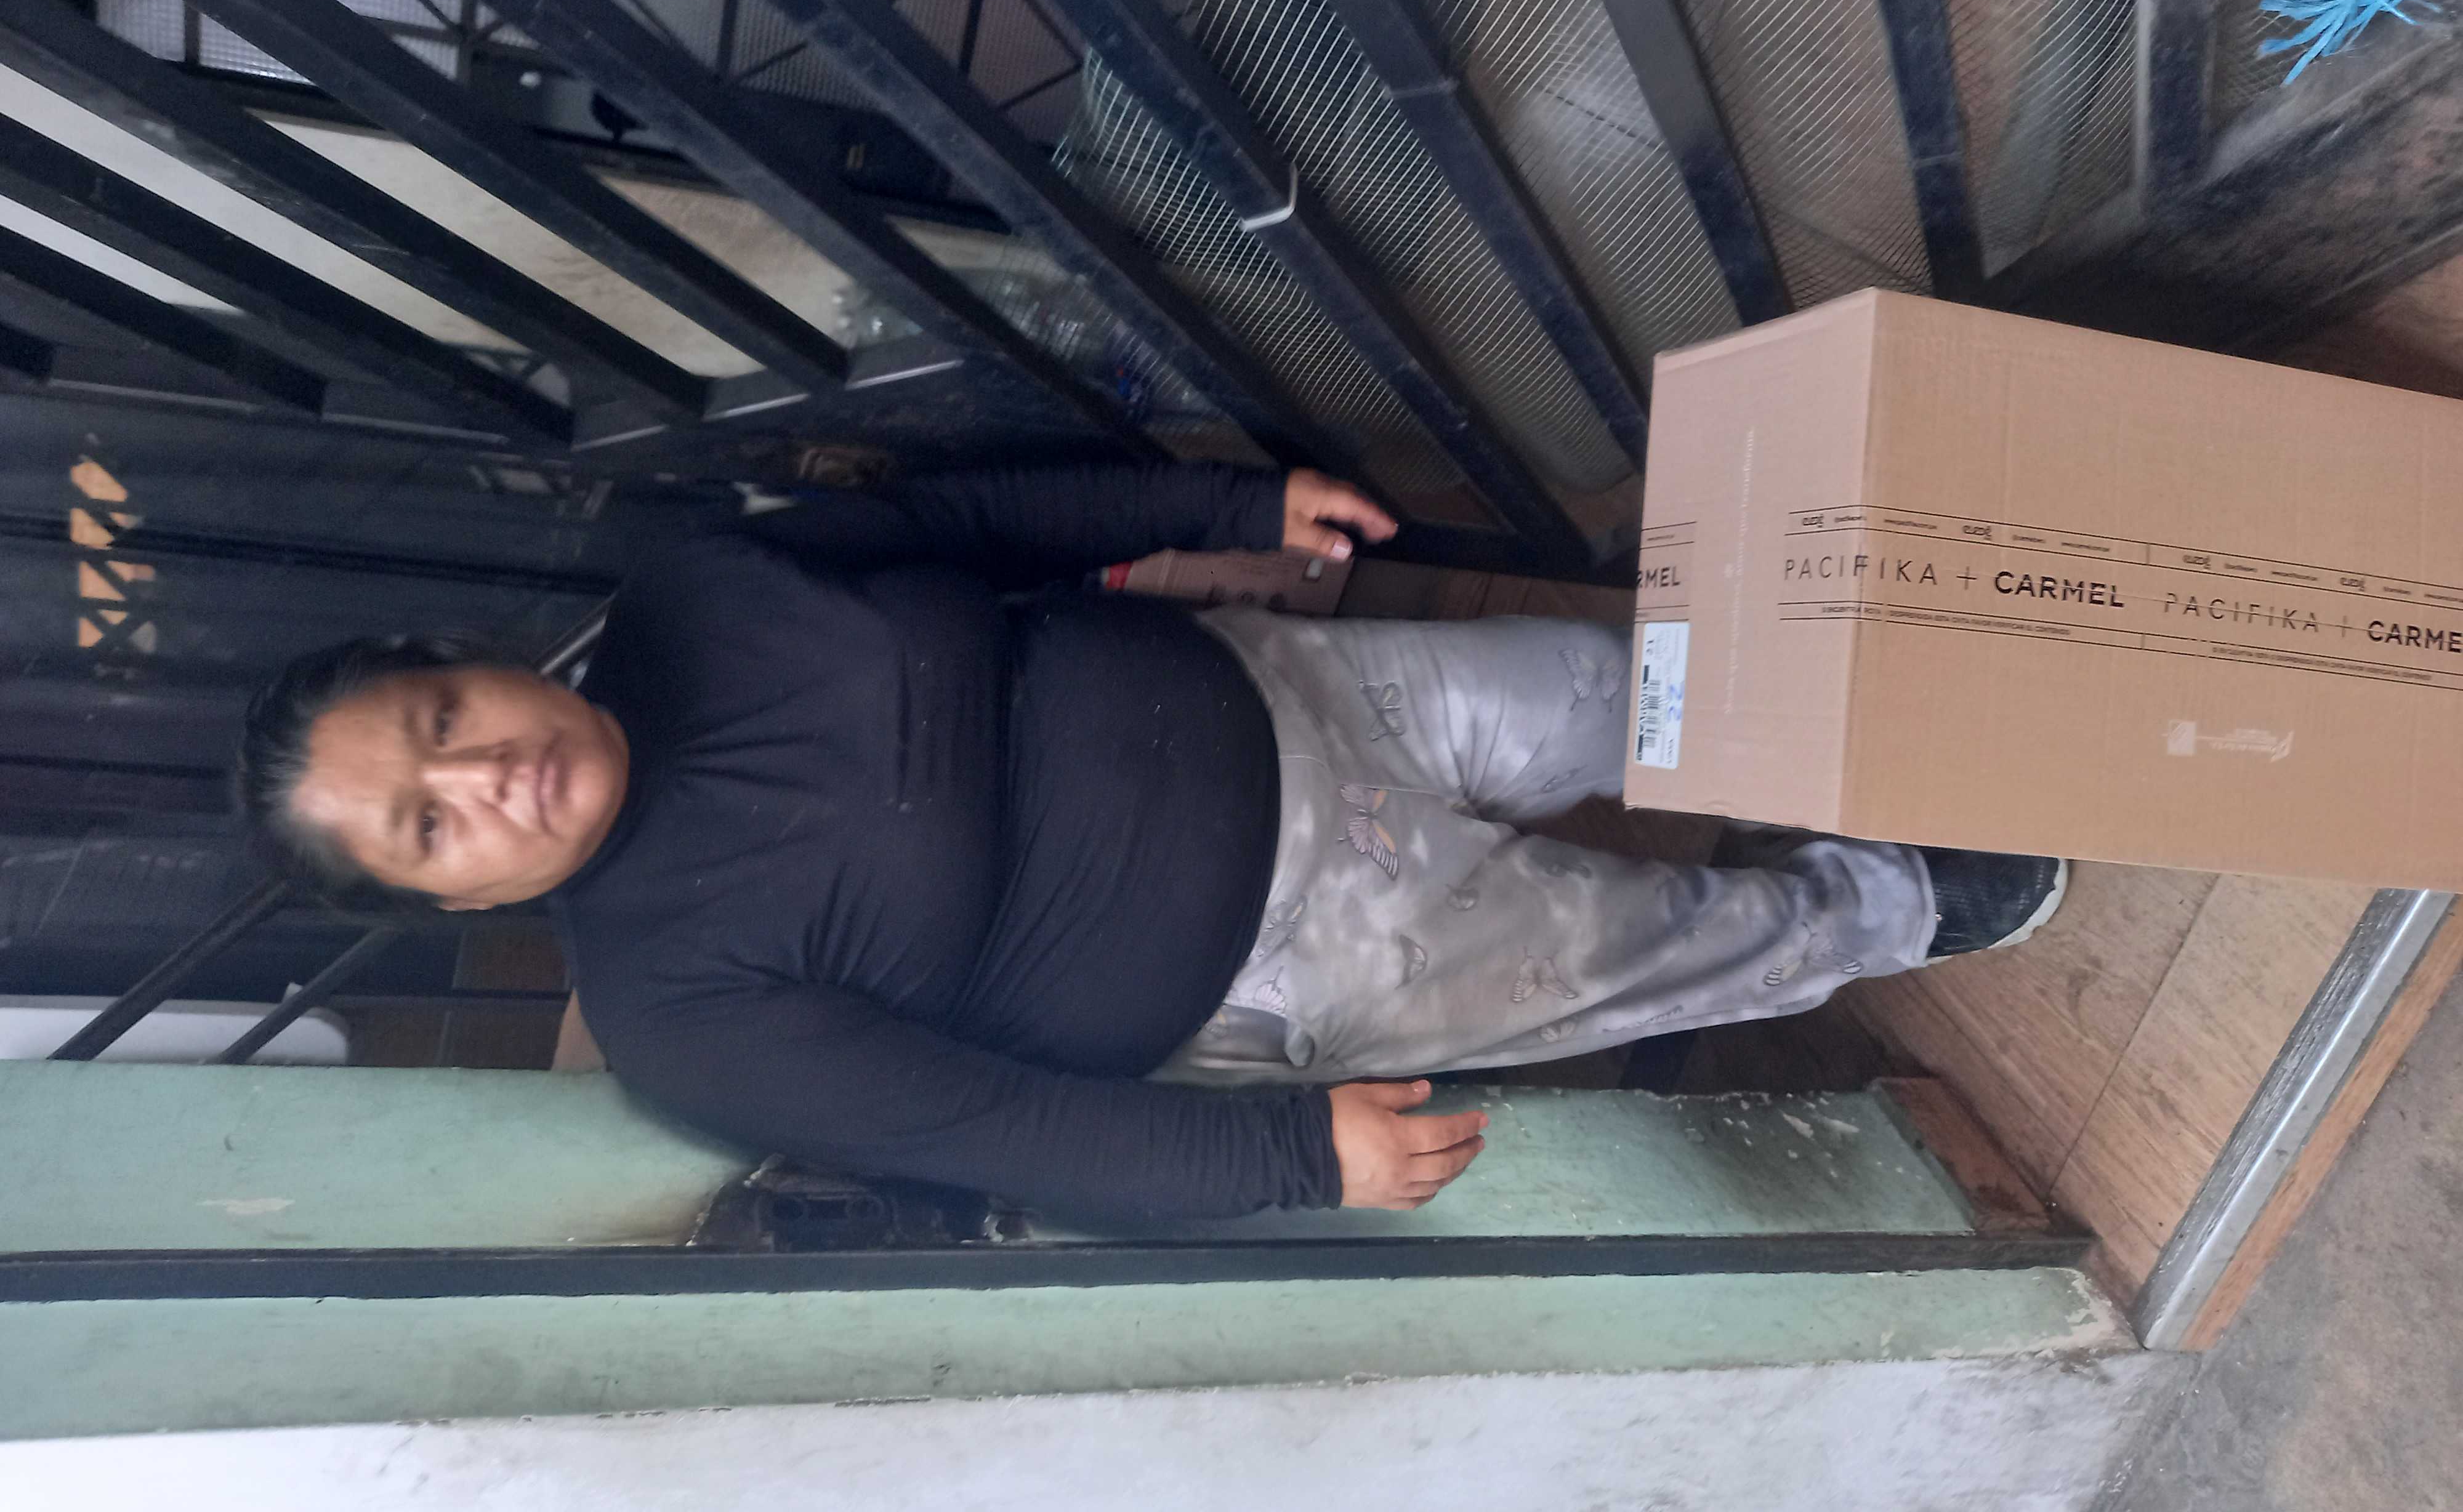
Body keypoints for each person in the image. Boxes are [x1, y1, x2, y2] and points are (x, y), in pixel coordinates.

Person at [238, 462, 2063, 1223]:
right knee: (1649, 941)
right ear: (441, 895)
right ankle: (1893, 900)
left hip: (1298, 691)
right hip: (1300, 956)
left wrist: (1222, 501)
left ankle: (1950, 711)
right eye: (428, 825)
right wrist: (1290, 1156)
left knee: (1624, 688)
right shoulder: (677, 1017)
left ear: (465, 665)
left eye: (441, 721)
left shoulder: (699, 594)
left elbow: (971, 511)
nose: (489, 776)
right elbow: (985, 1129)